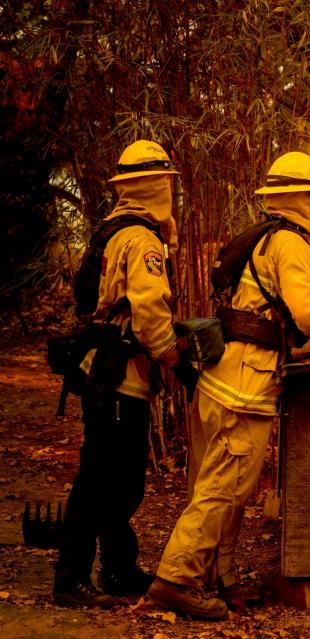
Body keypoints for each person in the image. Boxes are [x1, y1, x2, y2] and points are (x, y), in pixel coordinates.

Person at [148, 151, 310, 620]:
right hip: (245, 387)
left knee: (219, 485)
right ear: (306, 195)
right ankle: (175, 579)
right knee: (222, 489)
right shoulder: (290, 243)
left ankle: (220, 577)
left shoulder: (264, 237)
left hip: (219, 379)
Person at [53, 140, 183, 608]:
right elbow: (149, 311)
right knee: (107, 479)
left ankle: (118, 568)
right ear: (158, 186)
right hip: (120, 376)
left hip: (101, 371)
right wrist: (174, 358)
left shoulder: (113, 230)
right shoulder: (143, 239)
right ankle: (72, 580)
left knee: (110, 477)